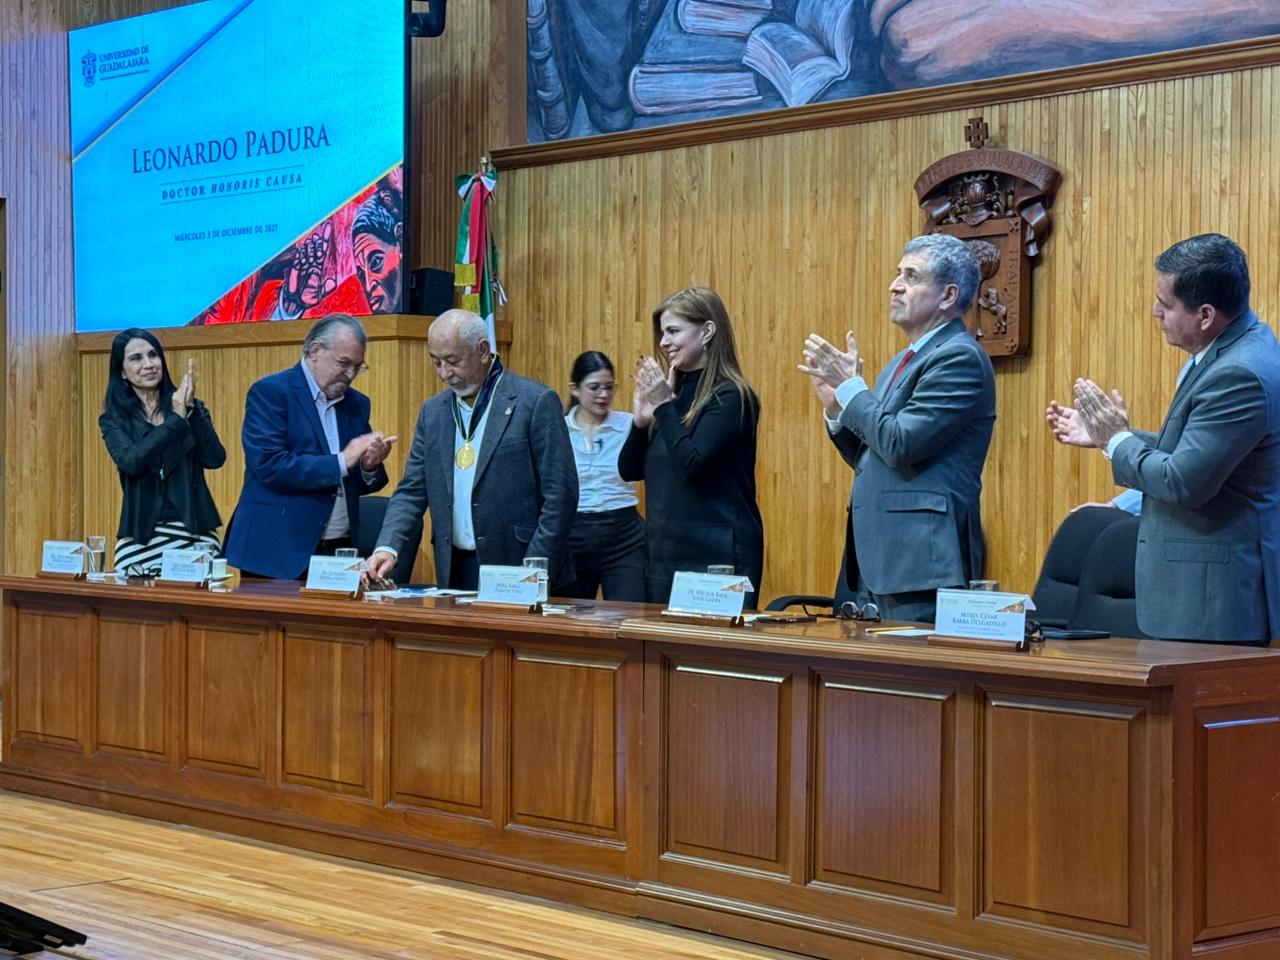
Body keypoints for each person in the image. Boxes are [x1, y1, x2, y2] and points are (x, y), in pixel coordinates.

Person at [1046, 233, 1280, 644]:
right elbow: (1200, 450)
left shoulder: (1239, 373)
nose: (1156, 312)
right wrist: (1109, 438)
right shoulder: (1230, 349)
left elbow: (1182, 481)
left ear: (1205, 315)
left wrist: (1117, 441)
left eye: (1167, 305)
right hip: (1202, 598)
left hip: (1216, 604)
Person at [800, 233, 995, 623]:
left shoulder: (959, 358)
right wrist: (838, 408)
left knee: (913, 682)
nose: (895, 284)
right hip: (877, 559)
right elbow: (873, 453)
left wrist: (854, 390)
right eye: (897, 273)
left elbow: (900, 443)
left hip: (920, 563)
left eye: (911, 275)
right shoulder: (901, 361)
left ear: (947, 295)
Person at [368, 310, 578, 589]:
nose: (444, 373)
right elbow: (411, 491)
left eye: (453, 361)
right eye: (436, 362)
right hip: (455, 568)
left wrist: (535, 566)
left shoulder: (535, 402)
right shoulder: (433, 413)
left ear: (482, 350)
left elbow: (561, 495)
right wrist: (388, 547)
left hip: (520, 566)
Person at [618, 287, 764, 607]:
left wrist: (663, 407)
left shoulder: (731, 397)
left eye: (673, 331)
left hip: (718, 558)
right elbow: (628, 470)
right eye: (662, 333)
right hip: (664, 555)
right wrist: (641, 422)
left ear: (707, 331)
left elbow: (691, 464)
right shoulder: (669, 396)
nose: (663, 342)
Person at [224, 315, 396, 578]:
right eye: (344, 363)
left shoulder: (357, 404)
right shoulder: (271, 392)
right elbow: (270, 466)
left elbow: (357, 482)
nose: (350, 375)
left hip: (337, 551)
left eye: (358, 367)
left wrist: (368, 465)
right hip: (277, 551)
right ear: (315, 350)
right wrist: (342, 460)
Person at [99, 329, 226, 575]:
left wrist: (190, 412)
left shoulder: (190, 408)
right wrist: (175, 422)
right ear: (122, 372)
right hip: (140, 537)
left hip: (195, 532)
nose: (148, 364)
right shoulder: (114, 419)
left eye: (153, 355)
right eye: (136, 358)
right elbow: (130, 461)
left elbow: (215, 459)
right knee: (138, 613)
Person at [560, 351, 646, 601]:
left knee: (628, 617)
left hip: (624, 534)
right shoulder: (559, 428)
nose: (603, 395)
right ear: (574, 389)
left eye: (609, 388)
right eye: (594, 388)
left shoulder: (630, 423)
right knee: (571, 618)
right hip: (574, 531)